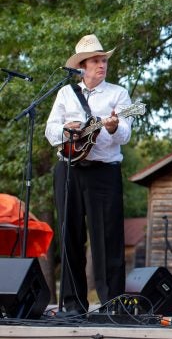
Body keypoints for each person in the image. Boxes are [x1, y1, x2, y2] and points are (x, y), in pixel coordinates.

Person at [45, 34, 133, 314]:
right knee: (69, 236)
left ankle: (112, 306)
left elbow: (126, 133)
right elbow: (50, 131)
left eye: (104, 60)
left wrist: (112, 128)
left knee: (107, 238)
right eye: (96, 60)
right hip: (69, 169)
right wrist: (68, 130)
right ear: (81, 65)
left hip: (104, 173)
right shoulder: (65, 93)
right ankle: (73, 305)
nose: (102, 65)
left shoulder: (118, 94)